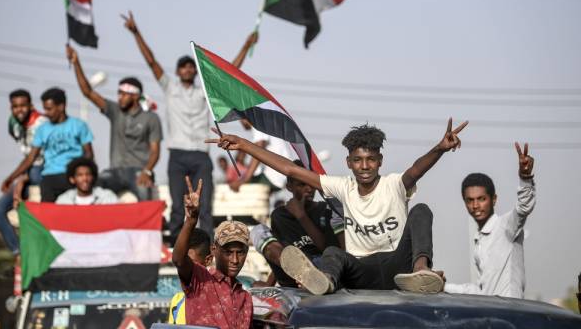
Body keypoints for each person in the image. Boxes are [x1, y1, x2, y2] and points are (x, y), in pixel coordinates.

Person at [207, 118, 468, 295]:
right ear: (348, 163)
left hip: (397, 266)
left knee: (421, 210)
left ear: (380, 161)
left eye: (370, 160)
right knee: (333, 251)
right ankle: (325, 281)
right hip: (361, 269)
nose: (364, 166)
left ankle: (421, 271)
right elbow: (288, 168)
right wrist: (244, 145)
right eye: (358, 160)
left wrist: (440, 148)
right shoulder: (343, 186)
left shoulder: (394, 184)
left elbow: (416, 170)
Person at [121, 11, 257, 237]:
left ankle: (206, 245)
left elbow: (227, 73)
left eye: (190, 66)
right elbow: (151, 61)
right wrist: (136, 32)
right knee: (177, 206)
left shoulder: (203, 91)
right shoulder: (169, 87)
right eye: (182, 67)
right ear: (177, 72)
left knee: (204, 205)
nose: (187, 69)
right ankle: (177, 247)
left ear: (195, 71)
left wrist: (245, 46)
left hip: (200, 156)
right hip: (177, 156)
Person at [67, 45, 163, 200]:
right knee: (94, 186)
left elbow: (155, 151)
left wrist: (147, 171)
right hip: (115, 171)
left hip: (139, 170)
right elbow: (88, 92)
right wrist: (76, 62)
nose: (120, 97)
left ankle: (150, 225)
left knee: (145, 192)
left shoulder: (151, 118)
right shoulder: (115, 111)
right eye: (119, 94)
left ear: (135, 96)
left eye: (124, 94)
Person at [444, 143, 536, 298]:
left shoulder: (506, 226)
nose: (475, 205)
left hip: (512, 313)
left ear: (494, 199)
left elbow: (523, 208)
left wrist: (525, 177)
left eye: (481, 199)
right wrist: (443, 286)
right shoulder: (479, 240)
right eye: (470, 200)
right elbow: (482, 292)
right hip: (491, 312)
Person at [172, 176, 252, 329]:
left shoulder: (245, 298)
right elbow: (179, 260)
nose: (235, 260)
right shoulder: (200, 280)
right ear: (214, 251)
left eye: (240, 252)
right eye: (228, 252)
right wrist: (191, 221)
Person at [251, 160, 344, 287]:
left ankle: (310, 278)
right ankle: (304, 274)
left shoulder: (326, 210)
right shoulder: (280, 215)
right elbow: (281, 255)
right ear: (289, 187)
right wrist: (269, 283)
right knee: (258, 230)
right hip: (294, 276)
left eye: (311, 183)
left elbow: (328, 250)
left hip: (324, 271)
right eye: (301, 184)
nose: (309, 189)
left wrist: (302, 216)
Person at [1, 88, 93, 202]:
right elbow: (31, 158)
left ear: (61, 107)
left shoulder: (78, 125)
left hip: (72, 175)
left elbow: (88, 153)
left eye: (49, 109)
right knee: (48, 211)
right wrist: (11, 178)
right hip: (50, 176)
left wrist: (81, 172)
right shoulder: (43, 129)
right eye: (45, 109)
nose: (46, 113)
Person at [0, 89, 46, 255]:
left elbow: (32, 159)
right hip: (28, 169)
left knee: (32, 180)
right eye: (15, 106)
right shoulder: (13, 123)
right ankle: (18, 252)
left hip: (42, 169)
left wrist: (16, 179)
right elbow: (25, 153)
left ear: (30, 105)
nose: (19, 110)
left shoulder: (41, 124)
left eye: (23, 106)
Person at [168, 228, 213, 325]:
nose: (185, 269)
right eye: (182, 265)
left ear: (208, 260)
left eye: (190, 264)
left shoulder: (220, 299)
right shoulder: (177, 300)